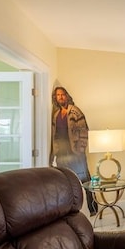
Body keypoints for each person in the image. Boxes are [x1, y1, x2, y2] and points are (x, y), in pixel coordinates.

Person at [50, 86, 98, 216]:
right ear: (55, 98)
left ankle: (93, 208)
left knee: (84, 179)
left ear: (67, 96)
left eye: (62, 94)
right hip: (61, 152)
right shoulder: (55, 115)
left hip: (75, 151)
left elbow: (84, 129)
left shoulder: (75, 111)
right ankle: (70, 209)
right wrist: (53, 154)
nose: (60, 97)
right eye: (58, 95)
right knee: (65, 180)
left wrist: (81, 148)